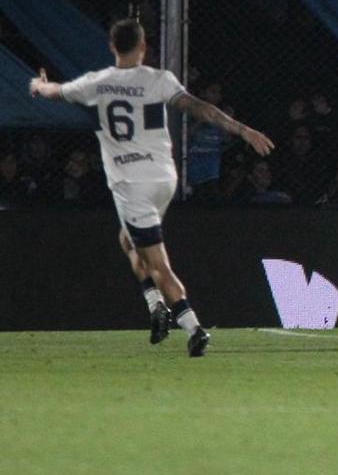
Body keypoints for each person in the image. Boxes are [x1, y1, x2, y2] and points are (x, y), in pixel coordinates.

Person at [29, 18, 274, 356]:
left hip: (131, 183)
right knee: (127, 240)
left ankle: (193, 328)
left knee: (157, 263)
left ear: (112, 47)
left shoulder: (98, 82)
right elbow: (199, 108)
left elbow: (55, 92)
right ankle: (155, 305)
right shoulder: (159, 79)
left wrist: (38, 85)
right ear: (143, 47)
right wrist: (242, 130)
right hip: (164, 177)